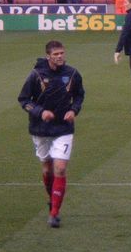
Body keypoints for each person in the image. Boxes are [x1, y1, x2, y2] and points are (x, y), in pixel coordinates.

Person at [17, 40, 85, 228]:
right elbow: (24, 100)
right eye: (56, 54)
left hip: (63, 129)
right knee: (47, 169)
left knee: (60, 168)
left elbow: (79, 95)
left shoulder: (72, 74)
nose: (60, 56)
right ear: (48, 56)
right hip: (40, 128)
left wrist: (74, 110)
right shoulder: (36, 75)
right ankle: (52, 199)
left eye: (62, 53)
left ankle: (54, 213)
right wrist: (40, 112)